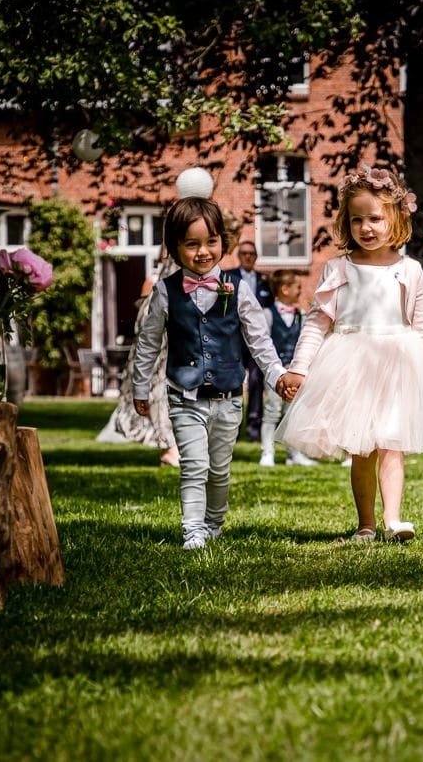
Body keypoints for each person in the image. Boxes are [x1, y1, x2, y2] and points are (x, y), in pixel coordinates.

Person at [274, 164, 423, 543]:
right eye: (357, 219)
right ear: (346, 222)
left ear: (395, 218)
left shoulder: (409, 271)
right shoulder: (338, 268)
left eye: (376, 218)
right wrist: (299, 368)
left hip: (397, 364)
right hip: (352, 365)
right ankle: (366, 523)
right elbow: (317, 323)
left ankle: (394, 520)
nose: (367, 227)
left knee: (392, 445)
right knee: (362, 449)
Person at [133, 196, 289, 550]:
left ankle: (214, 522)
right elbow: (148, 343)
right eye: (192, 244)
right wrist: (140, 388)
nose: (203, 252)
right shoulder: (165, 291)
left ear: (222, 242)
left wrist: (276, 375)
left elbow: (259, 341)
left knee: (219, 469)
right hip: (183, 396)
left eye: (211, 242)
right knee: (194, 465)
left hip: (229, 398)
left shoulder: (239, 290)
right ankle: (192, 530)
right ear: (174, 247)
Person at [96, 254, 182, 468]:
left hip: (171, 355)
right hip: (157, 356)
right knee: (160, 398)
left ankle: (173, 448)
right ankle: (169, 449)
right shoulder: (157, 283)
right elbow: (145, 324)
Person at [259, 269, 317, 467]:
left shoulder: (301, 315)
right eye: (297, 287)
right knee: (272, 410)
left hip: (296, 373)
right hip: (276, 373)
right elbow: (263, 343)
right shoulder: (267, 314)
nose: (300, 291)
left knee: (294, 413)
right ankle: (267, 452)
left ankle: (295, 454)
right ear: (284, 289)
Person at [227, 240, 273, 441]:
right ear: (239, 255)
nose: (247, 256)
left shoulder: (264, 281)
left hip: (255, 340)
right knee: (234, 381)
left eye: (251, 254)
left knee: (256, 381)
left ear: (255, 257)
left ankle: (254, 428)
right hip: (234, 341)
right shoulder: (228, 277)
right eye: (244, 253)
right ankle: (232, 428)